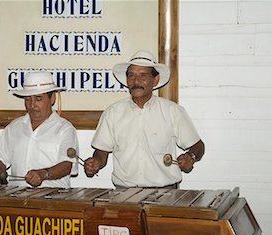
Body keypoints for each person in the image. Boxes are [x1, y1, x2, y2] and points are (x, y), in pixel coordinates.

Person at [84, 50, 205, 188]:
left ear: (156, 80)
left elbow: (198, 146)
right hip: (124, 194)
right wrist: (96, 162)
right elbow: (101, 151)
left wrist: (191, 157)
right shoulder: (113, 112)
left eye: (143, 76)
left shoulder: (173, 111)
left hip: (166, 193)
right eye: (131, 76)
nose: (136, 81)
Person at [0, 71, 78, 188]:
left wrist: (43, 174)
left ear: (52, 99)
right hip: (17, 196)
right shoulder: (13, 128)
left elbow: (67, 165)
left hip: (54, 198)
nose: (32, 105)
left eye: (39, 99)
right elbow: (0, 158)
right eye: (28, 99)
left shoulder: (65, 129)